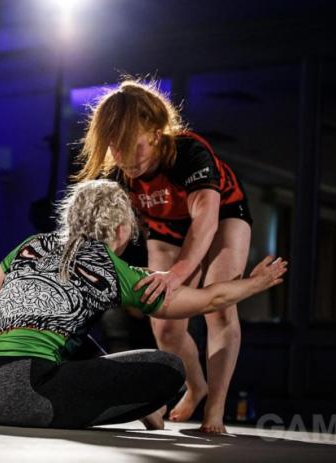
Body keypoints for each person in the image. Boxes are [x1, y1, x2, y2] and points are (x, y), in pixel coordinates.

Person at [0, 180, 286, 430]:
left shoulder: (33, 244)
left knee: (76, 340)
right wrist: (255, 284)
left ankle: (138, 408)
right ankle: (142, 407)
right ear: (123, 229)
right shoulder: (113, 268)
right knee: (169, 367)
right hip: (21, 394)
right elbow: (208, 300)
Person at [75, 79, 254, 433]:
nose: (123, 156)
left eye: (133, 146)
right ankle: (195, 386)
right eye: (115, 146)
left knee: (219, 307)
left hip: (222, 217)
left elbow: (205, 223)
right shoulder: (122, 171)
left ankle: (216, 408)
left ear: (156, 134)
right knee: (166, 325)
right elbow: (117, 233)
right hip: (167, 228)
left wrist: (178, 274)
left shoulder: (189, 152)